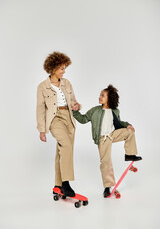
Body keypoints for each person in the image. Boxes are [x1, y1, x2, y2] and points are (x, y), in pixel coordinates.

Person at [72, 85, 142, 197]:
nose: (100, 97)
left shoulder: (115, 111)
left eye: (103, 96)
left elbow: (119, 122)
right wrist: (75, 112)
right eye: (100, 95)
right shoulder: (95, 110)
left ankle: (129, 155)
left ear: (110, 98)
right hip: (102, 139)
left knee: (130, 132)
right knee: (106, 162)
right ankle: (107, 187)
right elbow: (83, 119)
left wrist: (128, 125)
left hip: (113, 135)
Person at [36, 51, 81, 197]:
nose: (64, 71)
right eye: (61, 68)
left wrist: (76, 106)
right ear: (53, 68)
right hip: (54, 119)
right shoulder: (42, 86)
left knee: (62, 150)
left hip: (69, 117)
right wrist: (42, 130)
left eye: (64, 68)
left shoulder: (67, 83)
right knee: (66, 145)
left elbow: (74, 100)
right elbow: (40, 109)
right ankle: (66, 184)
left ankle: (57, 183)